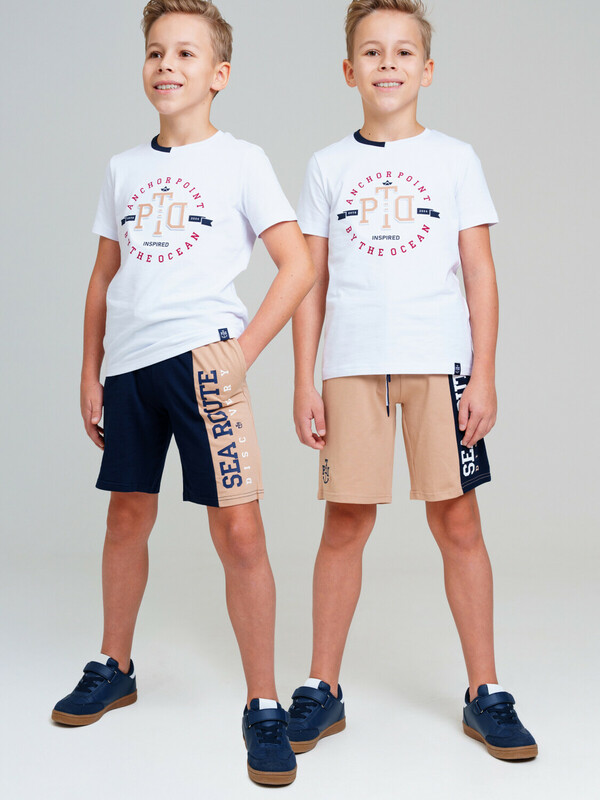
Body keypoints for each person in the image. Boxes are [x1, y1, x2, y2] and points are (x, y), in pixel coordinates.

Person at [51, 0, 315, 786]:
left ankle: (263, 703)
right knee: (127, 516)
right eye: (156, 52)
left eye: (186, 54)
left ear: (218, 74)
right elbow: (103, 276)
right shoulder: (123, 169)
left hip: (204, 365)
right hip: (130, 369)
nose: (167, 65)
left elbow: (298, 265)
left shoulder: (242, 160)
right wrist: (89, 369)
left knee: (239, 534)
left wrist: (243, 353)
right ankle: (114, 665)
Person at [287, 0, 537, 762]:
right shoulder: (327, 166)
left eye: (402, 52)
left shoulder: (455, 159)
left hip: (440, 363)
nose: (387, 64)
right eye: (372, 52)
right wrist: (304, 380)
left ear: (427, 70)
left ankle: (486, 692)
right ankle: (322, 688)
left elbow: (480, 273)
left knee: (458, 522)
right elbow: (310, 283)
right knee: (345, 524)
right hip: (351, 364)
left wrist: (484, 374)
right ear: (348, 70)